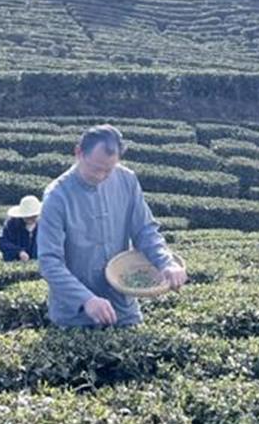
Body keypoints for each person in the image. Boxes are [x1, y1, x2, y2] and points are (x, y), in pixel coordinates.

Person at [37, 124, 186, 328]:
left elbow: (145, 230)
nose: (101, 176)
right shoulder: (56, 196)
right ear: (78, 153)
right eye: (95, 168)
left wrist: (166, 262)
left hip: (123, 307)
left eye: (108, 170)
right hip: (76, 315)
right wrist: (85, 299)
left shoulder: (127, 180)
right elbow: (49, 261)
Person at [0, 194, 40, 262]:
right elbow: (2, 240)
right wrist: (19, 251)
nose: (31, 219)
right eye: (27, 217)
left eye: (33, 216)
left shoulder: (45, 225)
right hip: (15, 262)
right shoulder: (11, 223)